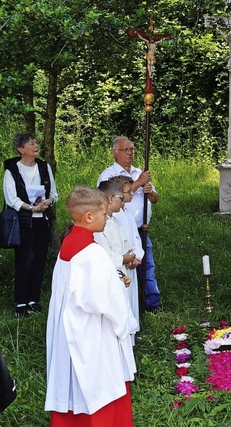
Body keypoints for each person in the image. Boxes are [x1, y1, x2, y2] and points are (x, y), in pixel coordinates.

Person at [45, 186, 137, 424]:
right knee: (99, 384)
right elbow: (106, 303)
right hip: (93, 332)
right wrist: (124, 323)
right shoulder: (93, 253)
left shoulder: (67, 247)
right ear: (88, 216)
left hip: (70, 330)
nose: (106, 220)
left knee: (75, 381)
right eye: (104, 215)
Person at [98, 136, 162, 312]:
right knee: (125, 267)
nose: (130, 153)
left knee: (146, 264)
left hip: (140, 227)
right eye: (125, 150)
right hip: (118, 228)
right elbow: (109, 197)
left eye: (132, 149)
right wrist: (138, 183)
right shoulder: (109, 175)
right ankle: (127, 304)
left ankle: (152, 302)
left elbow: (155, 199)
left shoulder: (139, 172)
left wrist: (149, 192)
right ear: (114, 153)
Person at [2, 132, 58, 317]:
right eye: (31, 144)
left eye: (36, 143)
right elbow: (11, 199)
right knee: (24, 261)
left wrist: (46, 203)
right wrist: (30, 208)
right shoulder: (11, 169)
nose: (36, 146)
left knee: (39, 259)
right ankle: (20, 303)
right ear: (20, 149)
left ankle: (33, 300)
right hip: (23, 222)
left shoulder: (44, 167)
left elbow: (54, 194)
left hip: (43, 220)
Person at [109, 175, 145, 331]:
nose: (131, 194)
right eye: (128, 191)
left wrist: (137, 256)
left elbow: (135, 238)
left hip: (131, 261)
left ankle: (132, 331)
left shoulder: (127, 213)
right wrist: (126, 259)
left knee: (131, 298)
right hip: (121, 264)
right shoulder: (112, 216)